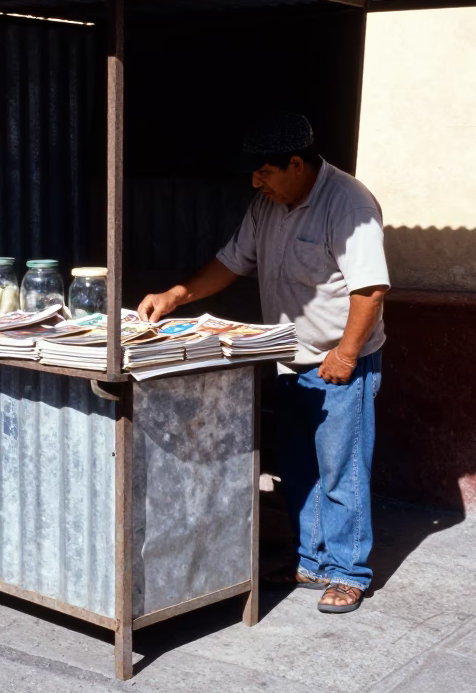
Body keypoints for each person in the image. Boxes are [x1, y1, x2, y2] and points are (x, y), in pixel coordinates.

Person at [137, 112, 389, 614]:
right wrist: (178, 294)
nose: (256, 183)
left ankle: (348, 572)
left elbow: (370, 290)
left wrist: (345, 354)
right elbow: (232, 261)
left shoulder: (349, 204)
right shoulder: (267, 204)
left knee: (341, 472)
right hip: (288, 356)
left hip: (339, 360)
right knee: (299, 468)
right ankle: (312, 561)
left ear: (296, 164)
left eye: (264, 172)